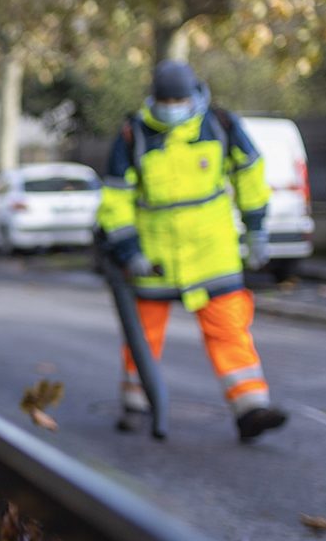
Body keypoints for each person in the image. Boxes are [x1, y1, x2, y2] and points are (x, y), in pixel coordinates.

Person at [97, 59, 288, 442]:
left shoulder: (219, 125)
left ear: (193, 95)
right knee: (143, 335)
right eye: (165, 101)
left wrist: (256, 230)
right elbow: (116, 200)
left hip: (212, 256)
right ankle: (137, 403)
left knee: (229, 329)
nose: (172, 107)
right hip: (155, 260)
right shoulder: (134, 134)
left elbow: (250, 173)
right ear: (154, 99)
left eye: (178, 100)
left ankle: (251, 408)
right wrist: (130, 251)